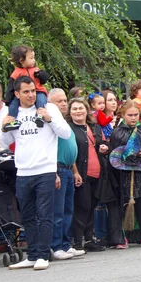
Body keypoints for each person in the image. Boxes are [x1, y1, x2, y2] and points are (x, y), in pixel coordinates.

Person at [1, 76, 71, 270]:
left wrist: (49, 120)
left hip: (45, 169)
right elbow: (4, 141)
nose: (31, 95)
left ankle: (43, 255)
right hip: (23, 171)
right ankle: (32, 255)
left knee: (45, 214)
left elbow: (65, 133)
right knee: (28, 216)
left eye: (33, 91)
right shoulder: (13, 112)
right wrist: (4, 126)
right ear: (17, 94)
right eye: (26, 91)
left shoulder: (49, 108)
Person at [109, 100, 141, 248]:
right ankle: (122, 235)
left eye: (136, 115)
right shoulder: (118, 132)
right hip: (122, 174)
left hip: (140, 173)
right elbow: (113, 153)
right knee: (123, 203)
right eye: (130, 115)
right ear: (123, 115)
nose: (133, 118)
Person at [47, 89, 84, 260]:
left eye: (64, 101)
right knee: (58, 210)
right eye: (58, 101)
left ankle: (66, 244)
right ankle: (56, 245)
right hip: (58, 168)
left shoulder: (63, 122)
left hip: (68, 169)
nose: (63, 104)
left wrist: (75, 171)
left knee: (68, 209)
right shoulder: (51, 123)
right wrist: (54, 172)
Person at [67, 99, 108, 252]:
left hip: (97, 173)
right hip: (81, 173)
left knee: (92, 206)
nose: (78, 111)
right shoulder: (69, 129)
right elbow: (70, 152)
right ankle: (77, 241)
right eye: (75, 109)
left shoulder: (94, 127)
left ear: (86, 110)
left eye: (81, 108)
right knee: (82, 207)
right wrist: (75, 172)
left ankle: (90, 239)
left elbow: (102, 142)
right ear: (70, 112)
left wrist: (104, 147)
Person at [3, 45, 49, 131]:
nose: (34, 60)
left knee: (41, 100)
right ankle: (11, 121)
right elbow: (11, 87)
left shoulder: (35, 69)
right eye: (31, 58)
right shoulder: (16, 73)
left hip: (38, 91)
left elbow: (44, 80)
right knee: (13, 105)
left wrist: (40, 74)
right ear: (21, 61)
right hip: (21, 94)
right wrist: (8, 100)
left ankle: (39, 116)